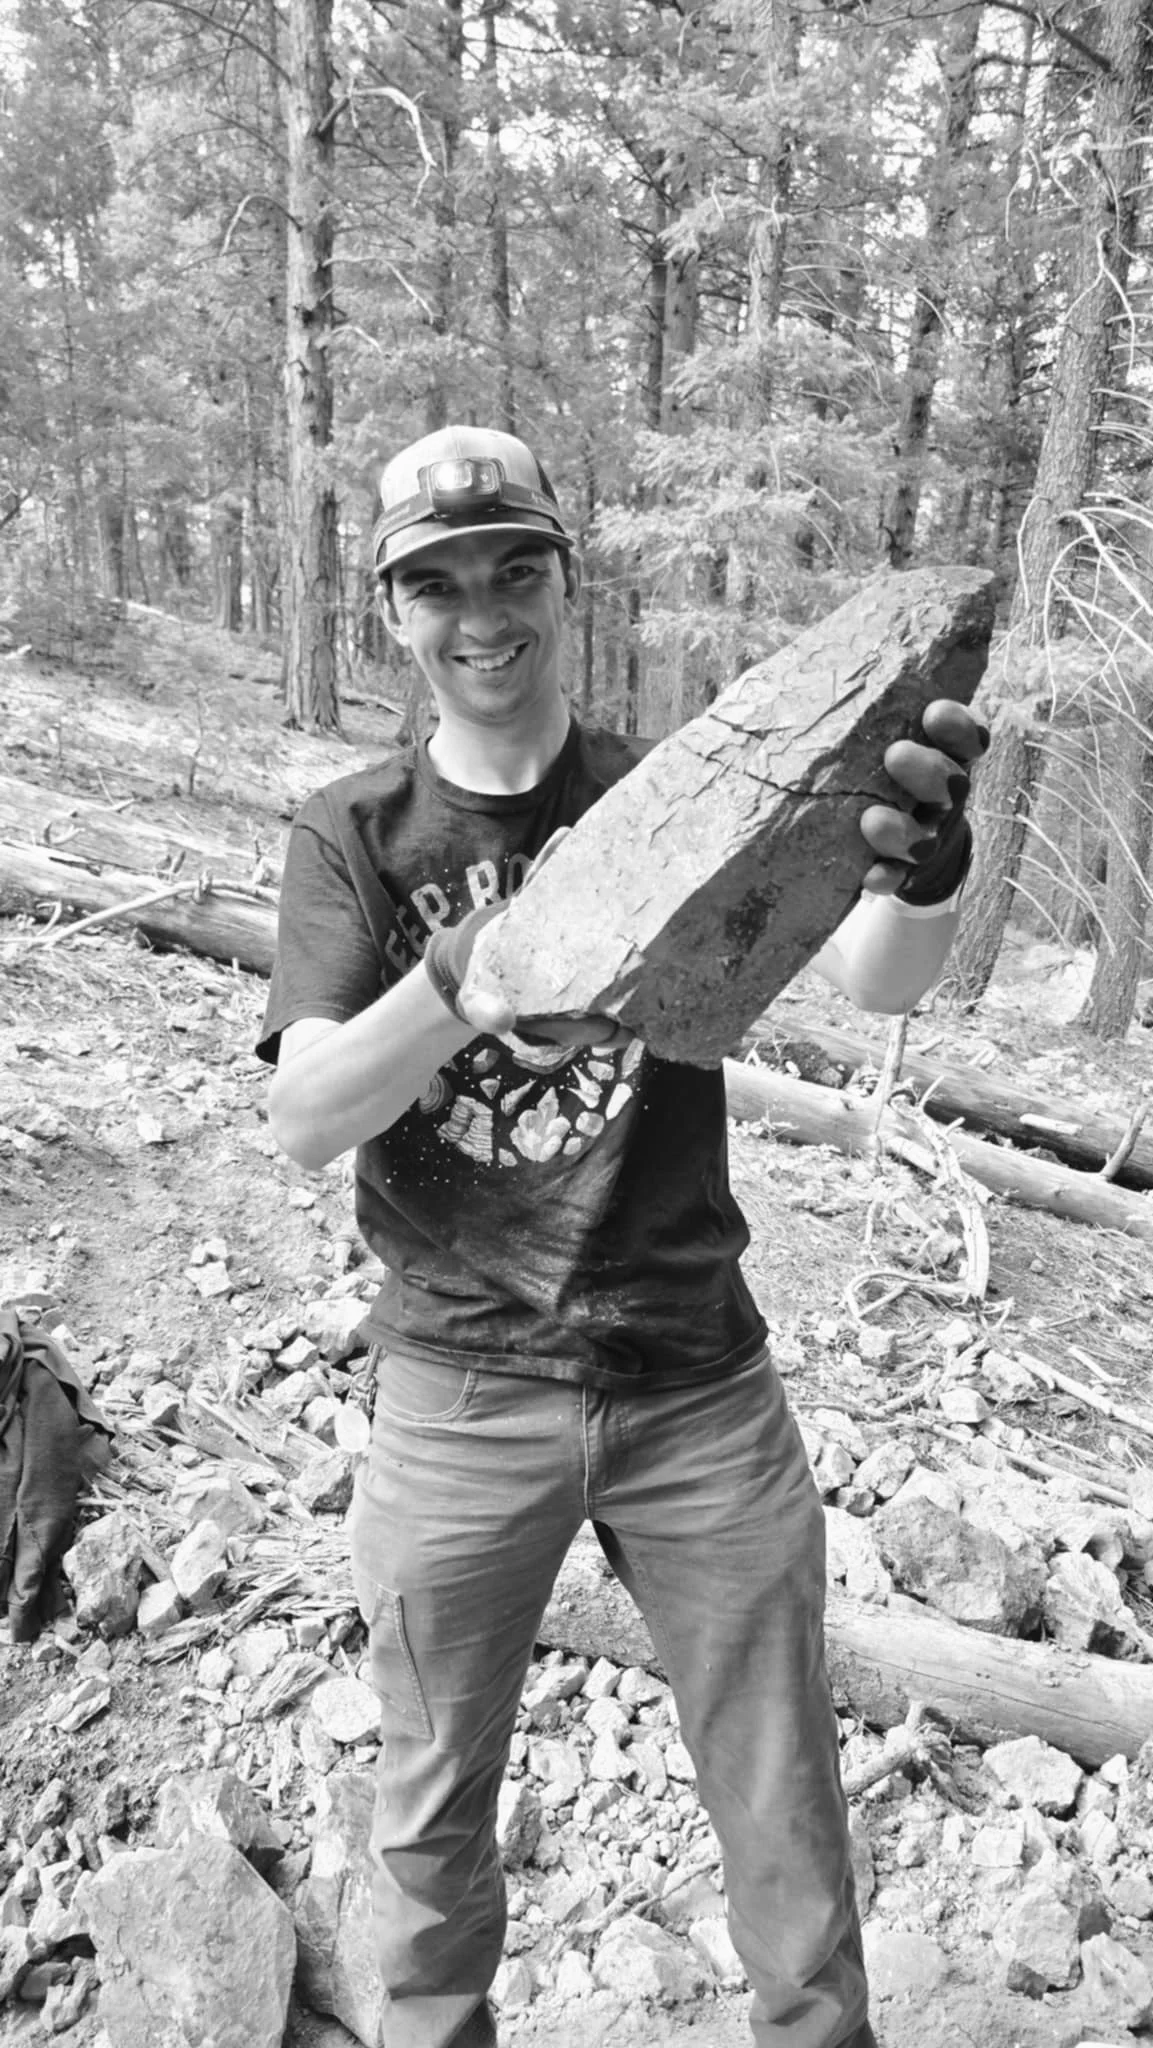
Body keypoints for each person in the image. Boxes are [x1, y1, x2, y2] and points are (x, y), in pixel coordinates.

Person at [258, 424, 988, 2048]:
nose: (482, 612)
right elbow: (306, 1118)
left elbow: (873, 977)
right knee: (430, 1829)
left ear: (564, 581)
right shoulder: (354, 837)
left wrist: (926, 871)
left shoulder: (680, 789)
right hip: (455, 1395)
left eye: (515, 567)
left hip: (696, 1389)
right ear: (393, 614)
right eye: (437, 583)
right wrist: (464, 977)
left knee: (786, 1808)